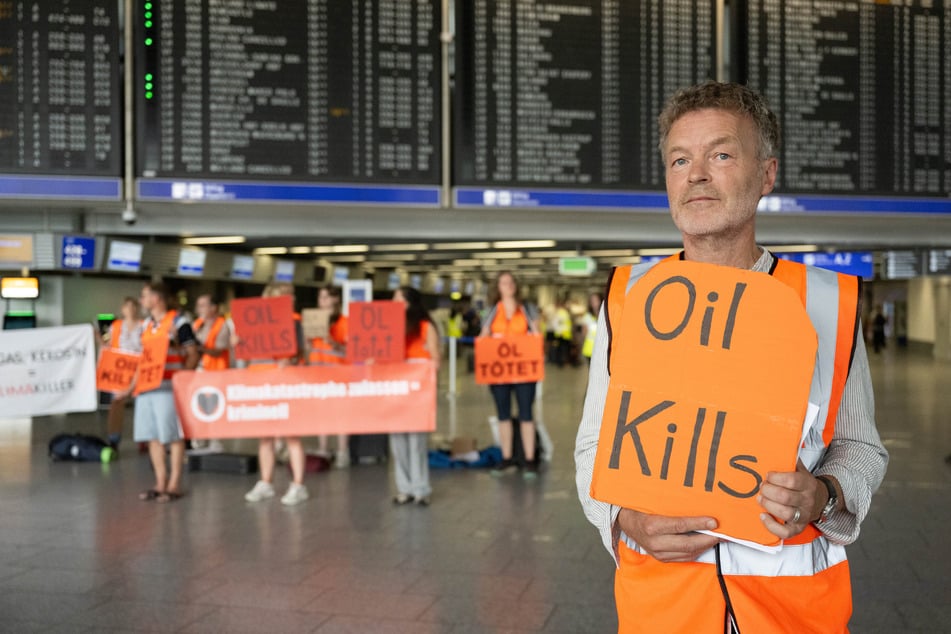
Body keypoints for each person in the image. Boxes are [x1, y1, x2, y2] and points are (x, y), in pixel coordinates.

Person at [575, 82, 888, 632]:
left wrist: (823, 494)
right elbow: (593, 445)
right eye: (679, 159)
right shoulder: (631, 300)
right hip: (663, 609)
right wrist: (624, 519)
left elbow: (861, 448)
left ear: (766, 174)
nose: (695, 174)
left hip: (792, 613)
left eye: (720, 154)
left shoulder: (827, 304)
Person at [123, 282, 199, 503]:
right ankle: (160, 482)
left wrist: (182, 379)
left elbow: (193, 353)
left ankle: (174, 483)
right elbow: (141, 359)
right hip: (146, 388)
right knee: (152, 437)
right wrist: (130, 388)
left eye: (145, 295)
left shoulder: (179, 323)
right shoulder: (146, 325)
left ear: (157, 298)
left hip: (168, 388)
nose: (141, 300)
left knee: (173, 436)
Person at [242, 282, 310, 506]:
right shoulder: (257, 324)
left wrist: (288, 360)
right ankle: (266, 482)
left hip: (285, 383)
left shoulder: (295, 322)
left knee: (292, 435)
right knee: (265, 436)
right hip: (262, 382)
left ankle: (298, 484)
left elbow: (299, 352)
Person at [479, 271, 542, 478]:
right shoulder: (491, 311)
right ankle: (507, 458)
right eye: (503, 282)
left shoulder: (527, 309)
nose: (508, 286)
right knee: (502, 414)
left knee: (526, 414)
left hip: (523, 371)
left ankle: (530, 459)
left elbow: (537, 335)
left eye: (511, 282)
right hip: (500, 372)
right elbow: (483, 336)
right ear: (497, 287)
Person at [390, 286, 439, 505]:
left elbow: (436, 360)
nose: (393, 301)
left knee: (416, 440)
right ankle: (404, 488)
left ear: (409, 302)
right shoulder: (389, 327)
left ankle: (420, 488)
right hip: (396, 387)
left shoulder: (425, 326)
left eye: (397, 298)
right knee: (397, 438)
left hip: (418, 390)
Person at [310, 285, 350, 467]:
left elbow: (351, 351)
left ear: (336, 300)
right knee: (321, 413)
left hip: (339, 374)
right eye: (320, 297)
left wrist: (332, 342)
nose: (322, 301)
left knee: (341, 414)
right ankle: (323, 448)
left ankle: (343, 451)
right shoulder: (313, 321)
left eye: (326, 297)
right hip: (318, 374)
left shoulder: (345, 322)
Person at [190, 294, 232, 453]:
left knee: (215, 407)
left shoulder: (222, 325)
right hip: (198, 371)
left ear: (213, 308)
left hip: (216, 373)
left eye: (203, 305)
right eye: (199, 305)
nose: (200, 309)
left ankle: (216, 441)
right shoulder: (197, 324)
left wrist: (199, 348)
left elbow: (218, 350)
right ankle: (198, 441)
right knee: (197, 406)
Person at [102, 296, 143, 450]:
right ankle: (114, 438)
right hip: (121, 368)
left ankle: (144, 439)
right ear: (123, 309)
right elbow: (109, 345)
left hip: (139, 367)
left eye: (134, 306)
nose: (131, 309)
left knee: (142, 403)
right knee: (117, 402)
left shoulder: (144, 325)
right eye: (128, 306)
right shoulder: (117, 326)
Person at [579, 292, 602, 365]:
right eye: (592, 301)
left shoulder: (605, 315)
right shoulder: (587, 317)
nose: (594, 303)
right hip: (590, 350)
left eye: (596, 300)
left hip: (602, 349)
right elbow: (584, 332)